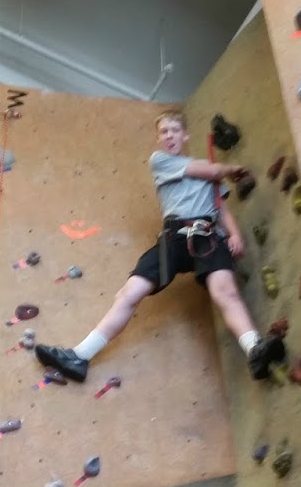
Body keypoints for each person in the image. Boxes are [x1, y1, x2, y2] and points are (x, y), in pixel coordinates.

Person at [35, 110, 286, 383]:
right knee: (129, 294)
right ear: (159, 139)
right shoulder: (162, 161)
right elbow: (212, 171)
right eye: (164, 132)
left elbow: (220, 208)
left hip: (208, 235)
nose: (169, 136)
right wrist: (228, 170)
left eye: (174, 130)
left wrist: (235, 234)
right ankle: (80, 356)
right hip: (173, 238)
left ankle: (254, 348)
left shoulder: (208, 173)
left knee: (225, 292)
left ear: (185, 135)